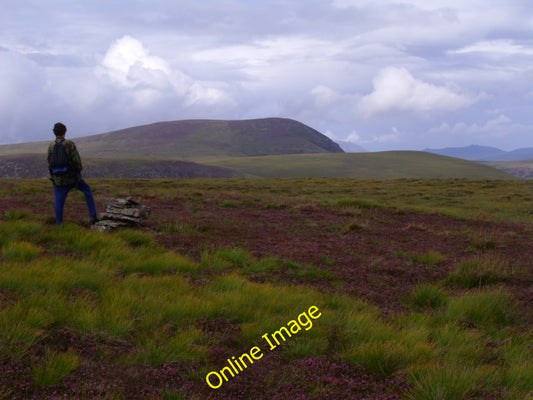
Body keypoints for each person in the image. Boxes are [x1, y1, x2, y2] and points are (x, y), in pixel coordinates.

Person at [47, 122, 98, 226]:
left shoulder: (51, 146)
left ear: (54, 132)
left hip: (59, 180)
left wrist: (54, 177)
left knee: (59, 201)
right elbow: (76, 161)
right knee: (87, 191)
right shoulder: (69, 144)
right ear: (65, 132)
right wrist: (78, 173)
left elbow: (49, 163)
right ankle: (93, 217)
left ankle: (59, 225)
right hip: (73, 178)